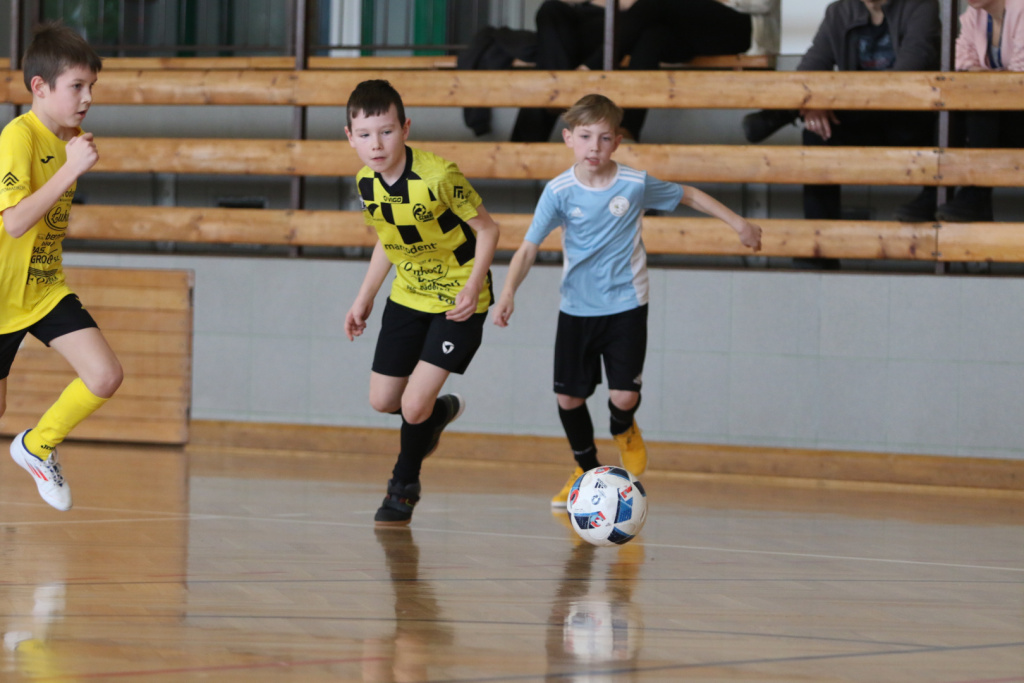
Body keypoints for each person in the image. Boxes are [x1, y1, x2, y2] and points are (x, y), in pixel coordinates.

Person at [493, 94, 761, 506]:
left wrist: (738, 223)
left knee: (624, 396)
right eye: (585, 137)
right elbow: (529, 247)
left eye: (604, 138)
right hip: (576, 308)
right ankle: (586, 472)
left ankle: (624, 428)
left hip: (626, 303)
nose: (594, 147)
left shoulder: (634, 184)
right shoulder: (559, 191)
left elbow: (688, 195)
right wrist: (509, 290)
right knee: (569, 398)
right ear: (568, 138)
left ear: (617, 142)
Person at [344, 79, 500, 526]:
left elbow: (488, 230)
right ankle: (436, 413)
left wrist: (473, 286)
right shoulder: (366, 182)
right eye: (365, 134)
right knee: (383, 400)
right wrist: (364, 298)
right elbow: (388, 239)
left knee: (413, 406)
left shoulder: (439, 177)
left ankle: (402, 487)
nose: (377, 144)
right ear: (350, 137)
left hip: (458, 299)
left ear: (405, 129)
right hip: (408, 295)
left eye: (386, 131)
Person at [1, 22, 123, 512]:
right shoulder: (18, 137)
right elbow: (14, 222)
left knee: (105, 375)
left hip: (44, 289)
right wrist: (71, 170)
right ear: (40, 86)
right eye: (77, 86)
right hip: (2, 295)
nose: (87, 97)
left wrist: (71, 161)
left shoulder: (71, 139)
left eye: (92, 86)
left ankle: (37, 445)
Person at [742, 0, 941, 255]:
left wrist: (828, 98)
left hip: (909, 120)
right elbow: (810, 69)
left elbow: (906, 75)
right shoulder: (840, 11)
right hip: (859, 118)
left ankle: (781, 114)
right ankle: (819, 250)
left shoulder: (921, 6)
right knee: (817, 132)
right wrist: (814, 105)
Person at [511, 0, 776, 143]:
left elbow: (763, 4)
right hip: (656, 22)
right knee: (552, 10)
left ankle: (582, 76)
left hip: (730, 22)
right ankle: (565, 101)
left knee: (650, 7)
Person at [935, 0, 1024, 221]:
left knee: (980, 99)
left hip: (1017, 113)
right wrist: (989, 80)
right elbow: (961, 63)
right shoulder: (972, 16)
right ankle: (938, 194)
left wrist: (984, 79)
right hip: (1001, 116)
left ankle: (975, 195)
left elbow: (1019, 78)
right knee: (959, 103)